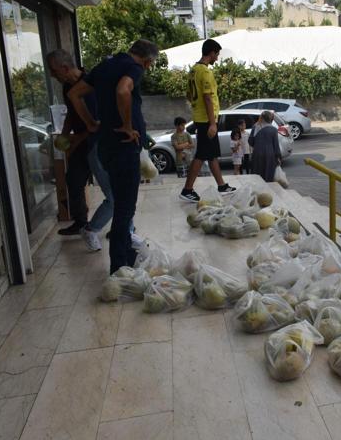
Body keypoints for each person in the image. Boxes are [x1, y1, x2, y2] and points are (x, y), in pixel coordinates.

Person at [67, 39, 158, 274]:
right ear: (147, 61)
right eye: (150, 64)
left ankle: (126, 255)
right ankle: (120, 266)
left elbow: (75, 93)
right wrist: (127, 125)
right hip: (123, 146)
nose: (147, 68)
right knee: (125, 208)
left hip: (106, 146)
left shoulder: (105, 65)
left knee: (120, 204)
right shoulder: (133, 68)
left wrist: (91, 123)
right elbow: (123, 90)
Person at [179, 39, 235, 202]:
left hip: (200, 117)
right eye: (217, 54)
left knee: (211, 155)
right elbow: (208, 97)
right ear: (211, 53)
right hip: (206, 120)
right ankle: (187, 190)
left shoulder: (193, 70)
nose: (217, 58)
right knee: (202, 154)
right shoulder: (206, 72)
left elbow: (189, 95)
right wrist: (212, 123)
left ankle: (222, 185)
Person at [46, 50, 92, 237]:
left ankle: (124, 226)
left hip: (97, 140)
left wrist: (75, 142)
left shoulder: (91, 84)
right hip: (80, 140)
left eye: (53, 70)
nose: (52, 75)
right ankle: (80, 222)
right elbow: (71, 114)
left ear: (65, 68)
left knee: (110, 185)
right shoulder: (66, 87)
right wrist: (64, 136)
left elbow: (97, 122)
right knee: (73, 180)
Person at [248, 110, 281, 182]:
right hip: (270, 155)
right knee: (268, 174)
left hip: (257, 154)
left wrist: (257, 145)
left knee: (257, 174)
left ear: (262, 118)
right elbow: (276, 145)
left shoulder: (256, 127)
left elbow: (250, 141)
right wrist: (278, 157)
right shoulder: (274, 130)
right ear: (270, 119)